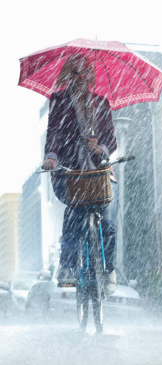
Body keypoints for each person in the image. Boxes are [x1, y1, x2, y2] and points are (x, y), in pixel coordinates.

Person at [41, 54, 118, 295]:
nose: (81, 77)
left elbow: (111, 140)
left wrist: (100, 148)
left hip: (98, 173)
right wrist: (52, 155)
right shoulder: (59, 101)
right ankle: (67, 266)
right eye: (75, 72)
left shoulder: (101, 103)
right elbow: (54, 131)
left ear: (91, 76)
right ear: (68, 76)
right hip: (70, 172)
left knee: (107, 220)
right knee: (73, 213)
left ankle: (108, 269)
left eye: (86, 71)